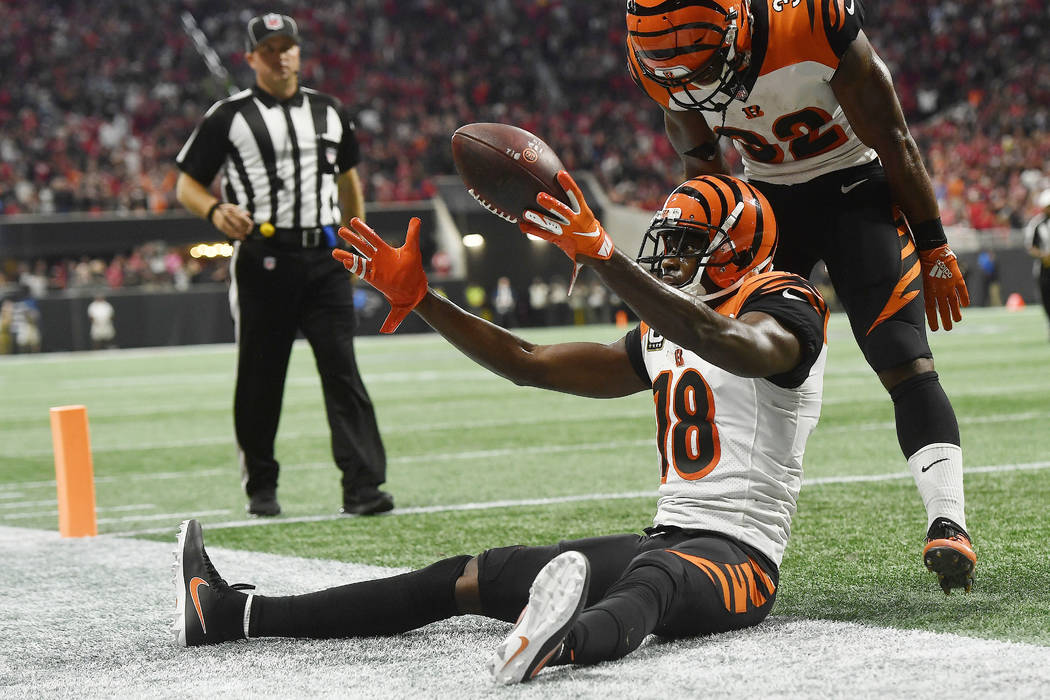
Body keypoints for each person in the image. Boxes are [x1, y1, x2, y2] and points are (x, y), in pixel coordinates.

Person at [174, 172, 830, 684]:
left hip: (740, 560)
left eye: (690, 242)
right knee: (466, 577)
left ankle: (556, 644)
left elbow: (734, 344)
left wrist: (605, 258)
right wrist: (423, 300)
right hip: (665, 538)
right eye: (673, 237)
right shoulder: (669, 325)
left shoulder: (786, 302)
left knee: (653, 581)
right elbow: (529, 363)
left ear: (737, 246)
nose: (671, 253)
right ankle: (233, 613)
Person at [624, 0, 975, 594]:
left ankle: (950, 520)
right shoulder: (660, 55)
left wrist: (934, 242)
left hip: (853, 185)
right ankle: (708, 526)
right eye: (677, 70)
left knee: (900, 352)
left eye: (705, 62)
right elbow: (701, 161)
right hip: (763, 202)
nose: (693, 81)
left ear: (737, 26)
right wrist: (710, 229)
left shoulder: (812, 17)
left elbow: (891, 135)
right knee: (731, 360)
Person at [173, 13, 390, 517]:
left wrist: (359, 241)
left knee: (343, 372)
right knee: (260, 376)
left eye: (287, 46)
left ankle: (363, 487)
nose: (280, 55)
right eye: (268, 49)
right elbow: (186, 182)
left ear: (298, 52)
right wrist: (213, 209)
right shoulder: (229, 115)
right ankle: (262, 489)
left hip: (326, 256)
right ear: (251, 58)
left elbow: (349, 182)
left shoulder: (330, 111)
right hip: (264, 256)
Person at [1024, 189, 1050, 338]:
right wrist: (1043, 256)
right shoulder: (1037, 223)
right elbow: (1030, 246)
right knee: (1046, 296)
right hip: (1044, 268)